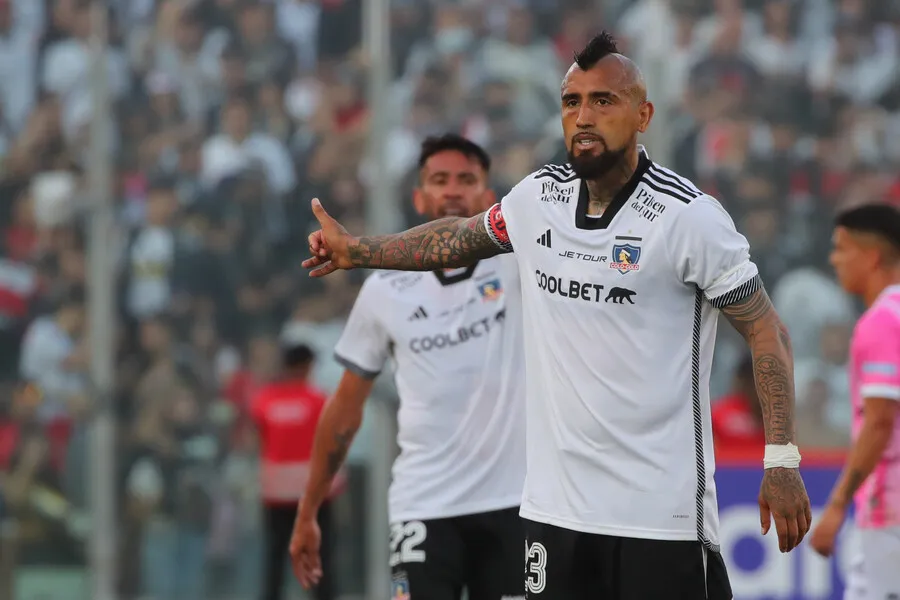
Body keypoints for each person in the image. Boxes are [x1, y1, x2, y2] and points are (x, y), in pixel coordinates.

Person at [301, 32, 812, 598]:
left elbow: (767, 329)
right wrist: (359, 251)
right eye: (572, 102)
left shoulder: (687, 218)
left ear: (643, 114)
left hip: (659, 521)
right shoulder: (536, 200)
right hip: (555, 519)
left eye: (603, 101)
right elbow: (456, 238)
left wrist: (782, 458)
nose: (584, 117)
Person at [290, 134, 527, 599]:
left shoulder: (521, 266)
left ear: (489, 198)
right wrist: (307, 510)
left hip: (517, 504)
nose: (453, 191)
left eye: (467, 180)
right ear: (420, 197)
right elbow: (344, 410)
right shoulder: (385, 290)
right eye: (439, 180)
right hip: (424, 505)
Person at [810, 204, 900, 599]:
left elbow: (880, 422)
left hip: (890, 506)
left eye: (841, 248)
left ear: (872, 256)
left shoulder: (882, 321)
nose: (834, 259)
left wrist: (836, 505)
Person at [252, 335, 340, 600]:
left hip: (276, 493)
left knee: (275, 556)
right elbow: (330, 445)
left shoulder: (265, 400)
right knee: (319, 557)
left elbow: (261, 439)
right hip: (313, 495)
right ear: (306, 366)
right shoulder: (318, 401)